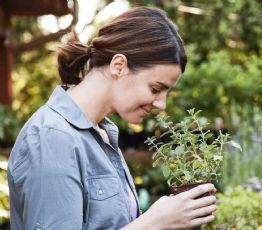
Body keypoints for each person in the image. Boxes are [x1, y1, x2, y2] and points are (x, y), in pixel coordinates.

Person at [7, 7, 217, 230]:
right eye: (155, 88)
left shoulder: (103, 134)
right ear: (119, 66)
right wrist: (153, 223)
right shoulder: (53, 138)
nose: (161, 104)